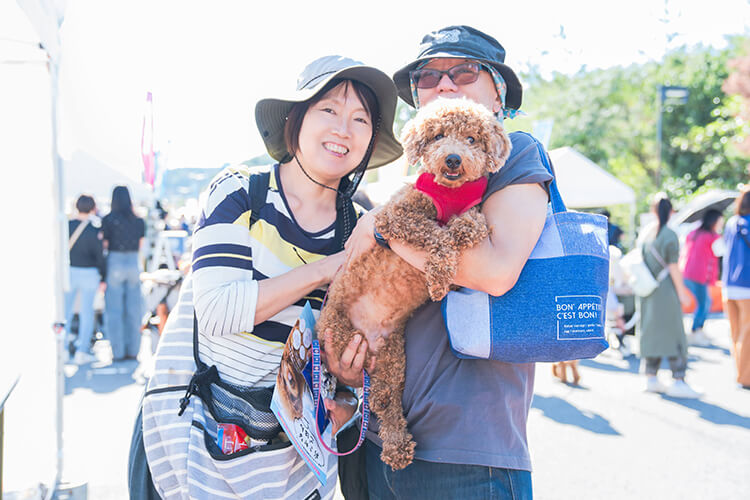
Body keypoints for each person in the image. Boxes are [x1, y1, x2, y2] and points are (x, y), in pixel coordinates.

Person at [128, 56, 402, 499]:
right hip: (198, 445)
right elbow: (216, 310)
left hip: (289, 466)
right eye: (328, 110)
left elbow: (362, 359)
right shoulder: (241, 192)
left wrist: (350, 384)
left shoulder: (364, 229)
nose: (344, 129)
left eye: (361, 119)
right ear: (295, 118)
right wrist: (328, 268)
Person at [327, 26, 551, 499]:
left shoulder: (514, 155)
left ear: (498, 93)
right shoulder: (418, 177)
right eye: (427, 76)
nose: (443, 83)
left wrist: (384, 228)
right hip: (378, 437)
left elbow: (495, 272)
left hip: (467, 452)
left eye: (463, 71)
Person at [637, 194, 700, 398]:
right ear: (671, 211)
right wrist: (683, 293)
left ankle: (651, 376)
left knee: (651, 331)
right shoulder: (670, 234)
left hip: (648, 289)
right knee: (674, 333)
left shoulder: (646, 233)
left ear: (653, 211)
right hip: (666, 289)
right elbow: (673, 267)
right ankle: (678, 378)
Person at [102, 185, 146, 361]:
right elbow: (141, 244)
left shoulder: (108, 219)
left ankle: (118, 352)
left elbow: (104, 245)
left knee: (114, 310)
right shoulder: (138, 220)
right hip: (133, 262)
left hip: (115, 262)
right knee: (134, 309)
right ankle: (133, 351)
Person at [65, 194, 106, 364]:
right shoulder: (95, 228)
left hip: (70, 271)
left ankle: (63, 349)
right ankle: (82, 351)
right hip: (90, 273)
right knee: (86, 312)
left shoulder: (66, 226)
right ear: (92, 207)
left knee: (65, 312)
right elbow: (100, 256)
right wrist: (103, 277)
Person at [681, 208, 723, 346]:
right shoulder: (712, 237)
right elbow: (721, 251)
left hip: (687, 273)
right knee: (704, 303)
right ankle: (696, 330)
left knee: (704, 302)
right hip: (699, 275)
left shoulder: (693, 233)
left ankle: (697, 330)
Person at [721, 186, 750, 389]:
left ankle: (739, 372)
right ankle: (745, 376)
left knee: (736, 332)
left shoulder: (731, 223)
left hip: (728, 285)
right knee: (746, 333)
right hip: (747, 285)